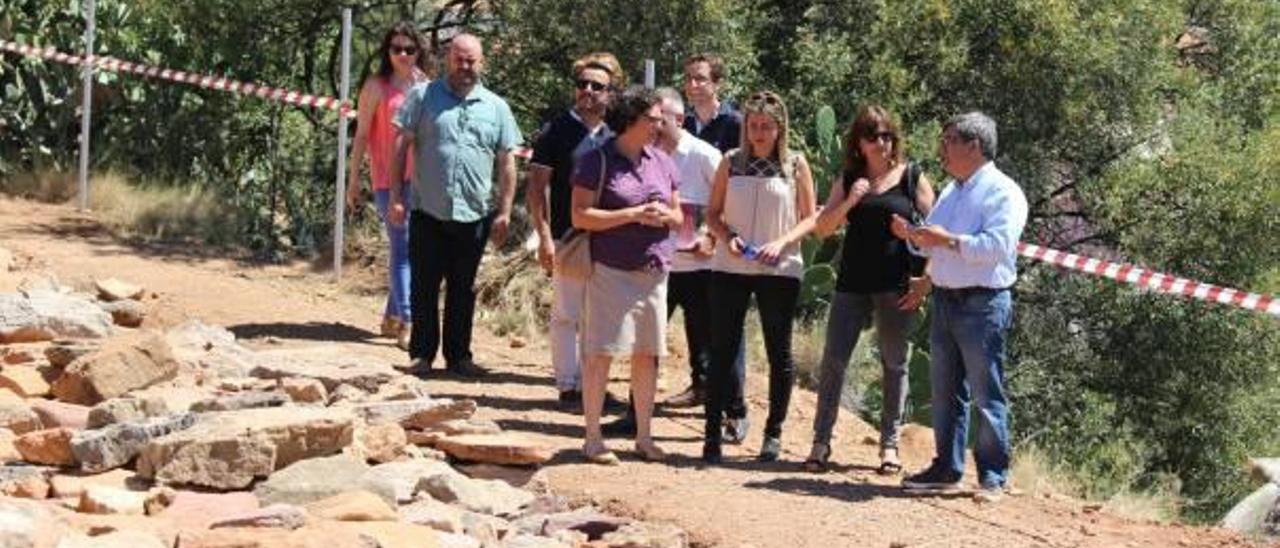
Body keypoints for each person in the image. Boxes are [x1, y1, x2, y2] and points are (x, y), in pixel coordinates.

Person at [891, 111, 1028, 503]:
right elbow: (932, 240)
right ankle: (947, 468)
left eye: (950, 140)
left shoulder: (1005, 192)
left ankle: (993, 477)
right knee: (945, 390)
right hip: (947, 299)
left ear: (975, 146)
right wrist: (912, 236)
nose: (943, 148)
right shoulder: (953, 190)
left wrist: (946, 240)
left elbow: (996, 248)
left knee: (987, 393)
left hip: (983, 303)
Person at [804, 105, 935, 475]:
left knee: (895, 364)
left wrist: (925, 277)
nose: (882, 142)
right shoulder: (849, 179)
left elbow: (938, 231)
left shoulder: (912, 178)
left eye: (887, 135)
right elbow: (823, 229)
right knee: (834, 361)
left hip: (896, 285)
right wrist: (850, 201)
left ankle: (889, 446)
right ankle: (820, 442)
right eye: (873, 136)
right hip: (852, 283)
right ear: (858, 143)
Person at [388, 34, 522, 377]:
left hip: (474, 215)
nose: (465, 67)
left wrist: (504, 211)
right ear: (449, 59)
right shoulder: (423, 96)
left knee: (463, 288)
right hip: (427, 210)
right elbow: (401, 146)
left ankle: (459, 356)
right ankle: (421, 355)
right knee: (424, 285)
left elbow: (507, 161)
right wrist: (395, 198)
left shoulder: (497, 107)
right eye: (460, 59)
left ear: (482, 63)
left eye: (472, 61)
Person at [703, 90, 817, 463]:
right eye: (753, 126)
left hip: (779, 268)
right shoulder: (730, 162)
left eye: (766, 126)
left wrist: (782, 243)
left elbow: (810, 217)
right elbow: (713, 214)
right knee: (721, 350)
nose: (759, 133)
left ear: (780, 128)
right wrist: (728, 238)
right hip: (730, 265)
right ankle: (712, 434)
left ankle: (773, 433)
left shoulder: (796, 165)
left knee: (777, 352)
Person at [571, 86, 682, 465]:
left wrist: (665, 216)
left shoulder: (663, 161)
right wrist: (633, 215)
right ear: (631, 119)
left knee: (647, 355)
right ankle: (592, 437)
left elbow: (681, 216)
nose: (659, 125)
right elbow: (580, 216)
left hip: (653, 271)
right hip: (610, 269)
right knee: (600, 353)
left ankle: (645, 437)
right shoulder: (596, 160)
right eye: (652, 118)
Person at [527, 53, 628, 412]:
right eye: (582, 84)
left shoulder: (619, 134)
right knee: (567, 313)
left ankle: (594, 385)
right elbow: (537, 188)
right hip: (567, 238)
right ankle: (568, 386)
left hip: (611, 238)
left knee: (601, 317)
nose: (587, 91)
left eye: (596, 86)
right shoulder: (556, 130)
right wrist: (542, 236)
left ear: (611, 92)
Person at [344, 22, 431, 351]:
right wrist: (354, 180)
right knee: (402, 247)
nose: (403, 55)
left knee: (412, 248)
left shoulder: (426, 85)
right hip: (387, 180)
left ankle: (391, 316)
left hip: (422, 180)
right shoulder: (375, 87)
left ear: (419, 51)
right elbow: (362, 135)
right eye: (396, 49)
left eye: (410, 49)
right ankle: (408, 321)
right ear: (387, 52)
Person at [653, 86, 723, 412]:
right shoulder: (644, 152)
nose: (653, 124)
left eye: (659, 118)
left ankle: (707, 395)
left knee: (704, 337)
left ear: (679, 119)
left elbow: (728, 203)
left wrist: (710, 236)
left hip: (700, 266)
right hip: (656, 262)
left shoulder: (705, 155)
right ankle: (636, 407)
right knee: (647, 337)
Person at [681, 54, 742, 154]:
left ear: (718, 84)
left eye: (700, 79)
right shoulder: (682, 124)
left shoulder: (736, 124)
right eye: (688, 78)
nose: (692, 85)